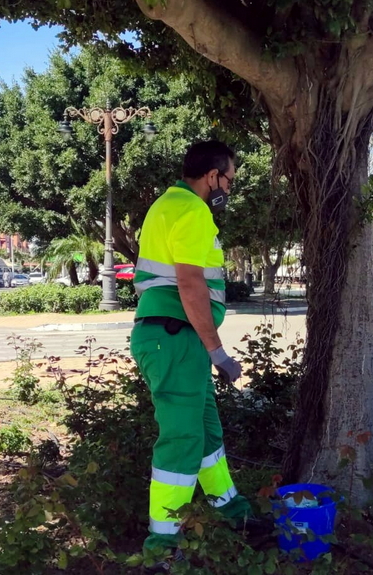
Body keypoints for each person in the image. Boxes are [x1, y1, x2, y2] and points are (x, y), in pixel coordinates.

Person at [130, 140, 254, 560]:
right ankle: (162, 545)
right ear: (212, 176)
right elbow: (190, 283)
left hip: (175, 338)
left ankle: (231, 509)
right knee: (182, 438)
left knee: (205, 431)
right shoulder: (193, 210)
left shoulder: (169, 205)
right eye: (229, 180)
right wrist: (217, 352)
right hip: (176, 337)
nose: (230, 189)